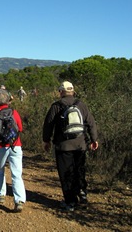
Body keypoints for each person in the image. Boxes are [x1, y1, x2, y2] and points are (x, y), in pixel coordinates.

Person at [42, 81, 99, 211]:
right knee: (79, 170)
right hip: (81, 145)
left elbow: (48, 125)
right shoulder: (81, 105)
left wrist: (46, 141)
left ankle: (70, 202)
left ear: (61, 92)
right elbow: (91, 122)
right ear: (72, 91)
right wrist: (94, 139)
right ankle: (83, 194)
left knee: (66, 173)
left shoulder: (56, 106)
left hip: (63, 147)